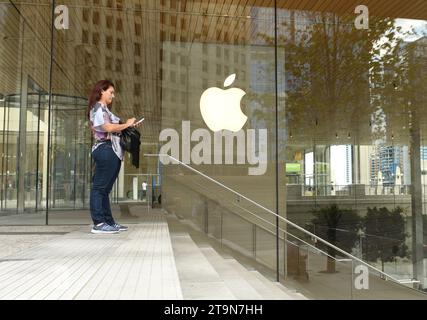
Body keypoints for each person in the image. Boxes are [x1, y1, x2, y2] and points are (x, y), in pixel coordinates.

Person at [87, 80, 141, 234]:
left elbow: (116, 126)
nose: (113, 95)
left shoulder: (105, 110)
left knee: (104, 189)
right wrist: (126, 125)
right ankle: (98, 223)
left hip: (112, 151)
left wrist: (129, 125)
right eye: (111, 92)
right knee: (99, 188)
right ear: (102, 91)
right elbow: (107, 127)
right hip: (105, 149)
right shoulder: (98, 108)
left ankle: (108, 222)